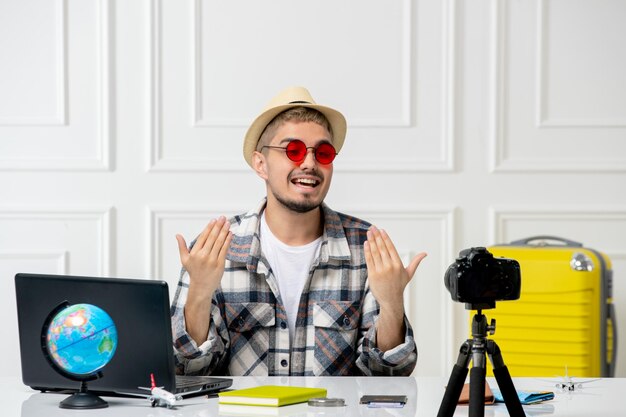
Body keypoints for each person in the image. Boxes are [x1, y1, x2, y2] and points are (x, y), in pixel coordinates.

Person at [171, 86, 427, 376]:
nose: (309, 163)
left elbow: (388, 377)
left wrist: (393, 304)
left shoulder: (365, 248)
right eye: (293, 150)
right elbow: (185, 371)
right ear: (260, 164)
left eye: (323, 152)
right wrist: (200, 295)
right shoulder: (215, 250)